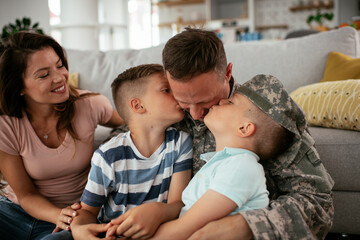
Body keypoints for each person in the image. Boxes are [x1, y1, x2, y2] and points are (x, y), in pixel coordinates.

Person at [161, 27, 334, 239]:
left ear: (227, 73)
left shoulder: (263, 113)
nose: (195, 114)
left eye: (205, 101)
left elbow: (318, 205)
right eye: (184, 103)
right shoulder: (165, 107)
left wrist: (245, 226)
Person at [0, 31, 124, 240]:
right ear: (19, 86)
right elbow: (25, 194)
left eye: (59, 66)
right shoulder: (6, 125)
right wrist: (57, 215)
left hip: (72, 218)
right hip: (14, 214)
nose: (60, 77)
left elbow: (134, 121)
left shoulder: (90, 105)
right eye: (44, 74)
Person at [48, 64, 193, 240]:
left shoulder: (180, 143)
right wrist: (80, 230)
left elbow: (178, 204)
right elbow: (87, 211)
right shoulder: (108, 155)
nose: (177, 94)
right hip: (108, 232)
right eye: (166, 90)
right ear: (138, 105)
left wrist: (157, 211)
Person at [151, 74, 295, 240]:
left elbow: (183, 228)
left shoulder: (241, 167)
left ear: (244, 128)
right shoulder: (222, 163)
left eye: (231, 102)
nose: (222, 101)